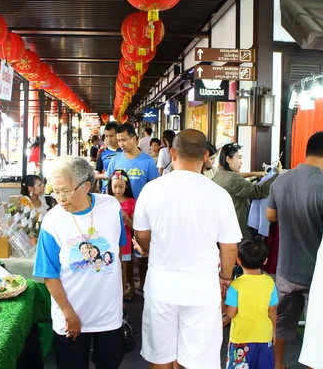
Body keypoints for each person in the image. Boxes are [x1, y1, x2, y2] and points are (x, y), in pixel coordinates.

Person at [133, 129, 241, 369]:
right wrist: (225, 277)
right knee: (197, 359)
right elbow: (229, 246)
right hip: (201, 287)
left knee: (160, 356)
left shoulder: (151, 190)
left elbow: (141, 234)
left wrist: (151, 250)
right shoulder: (219, 194)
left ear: (172, 152)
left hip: (161, 284)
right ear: (205, 156)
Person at [33, 156, 126, 369]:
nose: (60, 198)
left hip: (108, 314)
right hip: (70, 315)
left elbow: (117, 252)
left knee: (110, 362)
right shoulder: (52, 221)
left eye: (65, 191)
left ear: (86, 186)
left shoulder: (111, 207)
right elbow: (49, 274)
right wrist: (68, 313)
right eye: (55, 192)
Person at [266, 131, 323, 369]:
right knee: (317, 326)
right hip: (317, 273)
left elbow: (270, 215)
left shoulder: (281, 181)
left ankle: (278, 365)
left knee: (282, 322)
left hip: (286, 269)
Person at [224, 239, 278, 369]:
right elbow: (272, 310)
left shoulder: (236, 285)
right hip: (264, 336)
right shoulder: (269, 282)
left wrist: (221, 300)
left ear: (238, 260)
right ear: (265, 260)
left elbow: (231, 313)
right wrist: (273, 331)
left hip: (241, 338)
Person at [213, 143, 278, 240]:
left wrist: (253, 173)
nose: (241, 162)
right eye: (239, 158)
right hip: (236, 227)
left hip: (223, 226)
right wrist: (277, 174)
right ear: (228, 159)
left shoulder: (220, 174)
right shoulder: (232, 179)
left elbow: (236, 177)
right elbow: (259, 192)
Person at [107, 123, 159, 200]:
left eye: (124, 140)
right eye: (119, 141)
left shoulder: (148, 161)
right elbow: (109, 187)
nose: (121, 144)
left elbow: (154, 188)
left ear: (134, 138)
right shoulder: (114, 160)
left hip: (140, 208)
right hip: (119, 209)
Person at [107, 169, 137, 302]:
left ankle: (121, 296)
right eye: (115, 186)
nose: (118, 190)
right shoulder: (106, 201)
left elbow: (133, 227)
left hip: (125, 243)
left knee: (122, 269)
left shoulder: (131, 202)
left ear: (126, 186)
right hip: (108, 241)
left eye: (121, 187)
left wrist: (124, 216)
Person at [19, 175, 49, 242]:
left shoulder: (41, 198)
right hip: (32, 237)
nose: (43, 187)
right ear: (30, 188)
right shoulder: (25, 200)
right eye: (39, 185)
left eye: (42, 185)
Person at [95, 122, 123, 193]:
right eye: (106, 136)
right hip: (106, 191)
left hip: (123, 191)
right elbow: (96, 173)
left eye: (111, 136)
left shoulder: (125, 152)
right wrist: (106, 175)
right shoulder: (102, 153)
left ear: (118, 135)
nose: (109, 139)